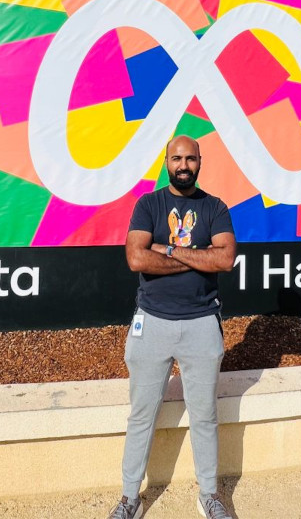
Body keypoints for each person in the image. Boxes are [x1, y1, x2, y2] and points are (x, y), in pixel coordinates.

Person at [107, 135, 237, 519]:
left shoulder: (215, 207)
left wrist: (166, 250)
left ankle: (210, 495)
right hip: (153, 323)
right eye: (176, 158)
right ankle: (130, 496)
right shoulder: (149, 204)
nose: (184, 165)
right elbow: (135, 258)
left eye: (191, 158)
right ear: (166, 162)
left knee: (205, 414)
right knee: (142, 414)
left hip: (201, 324)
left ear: (200, 161)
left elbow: (226, 258)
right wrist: (199, 258)